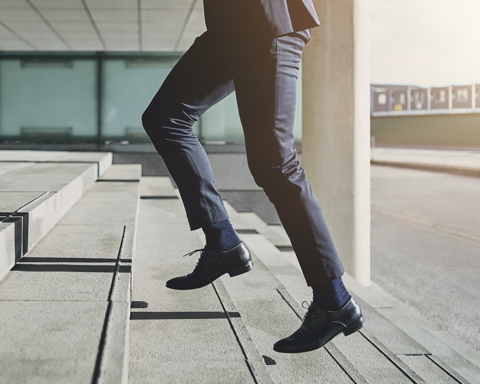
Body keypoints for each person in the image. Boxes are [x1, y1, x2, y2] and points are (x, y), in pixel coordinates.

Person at [141, 0, 364, 353]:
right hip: (230, 29)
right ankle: (222, 242)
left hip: (269, 23)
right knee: (165, 117)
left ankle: (334, 300)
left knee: (275, 163)